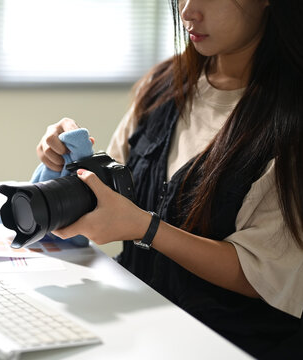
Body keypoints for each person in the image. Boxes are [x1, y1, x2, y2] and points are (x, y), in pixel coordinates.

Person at [36, 0, 302, 358]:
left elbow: (264, 272)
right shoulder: (164, 84)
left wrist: (147, 228)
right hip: (139, 330)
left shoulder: (289, 118)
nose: (188, 11)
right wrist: (63, 160)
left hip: (230, 344)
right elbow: (107, 196)